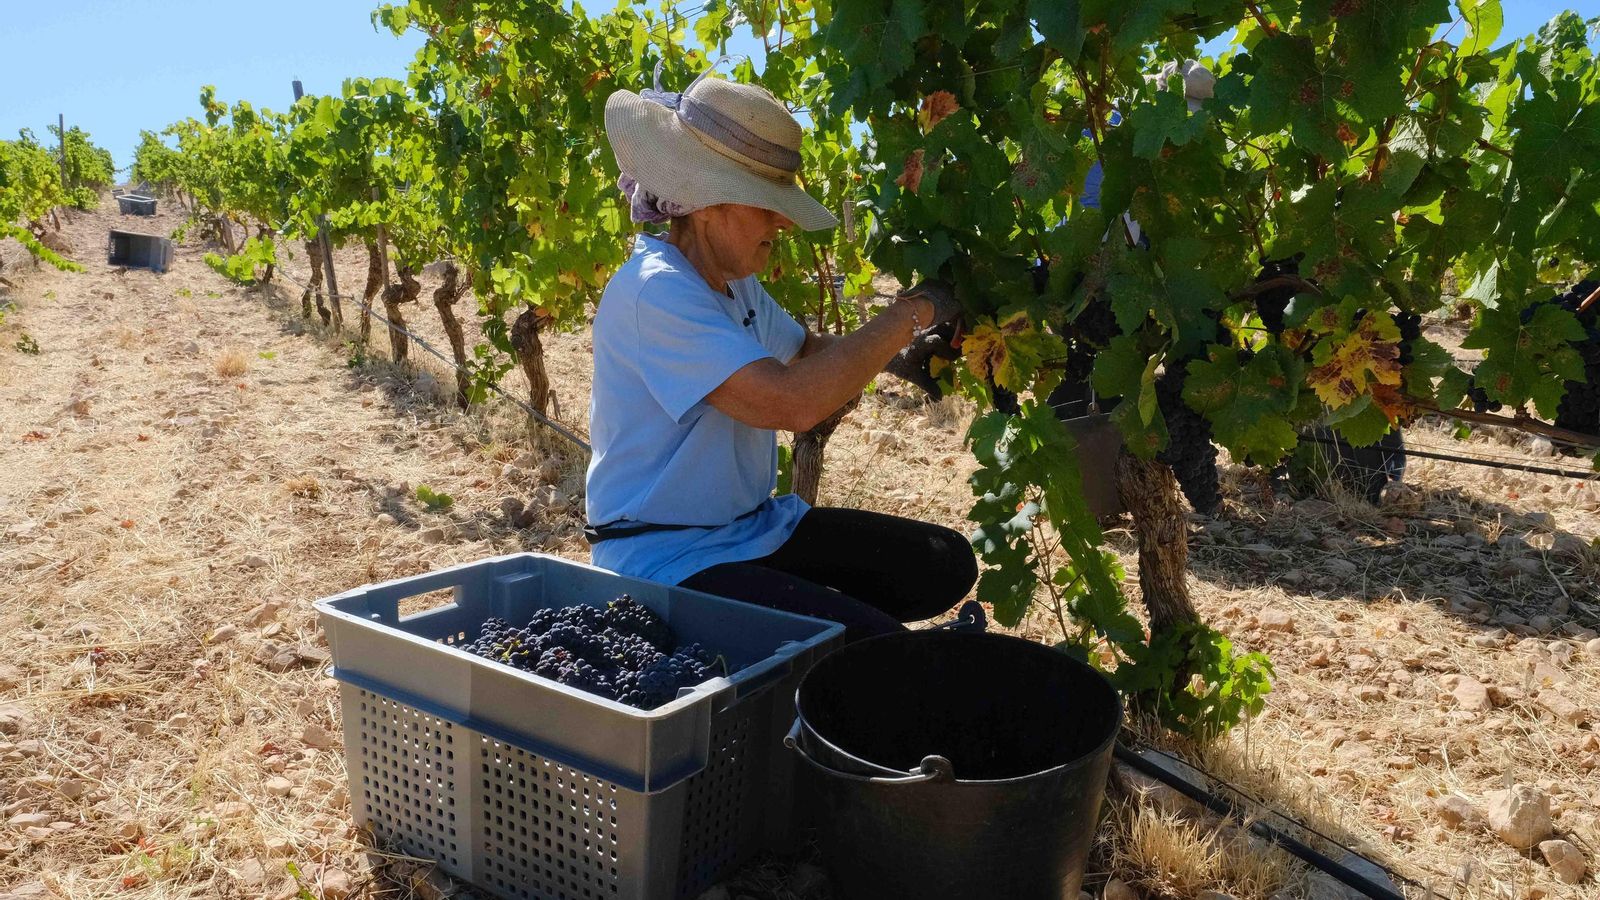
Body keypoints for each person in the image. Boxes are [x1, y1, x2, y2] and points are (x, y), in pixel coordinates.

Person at [587, 65, 977, 639]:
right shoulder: (656, 292)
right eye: (762, 203)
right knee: (877, 651)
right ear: (704, 202)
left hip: (752, 529)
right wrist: (910, 313)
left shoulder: (732, 281)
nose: (782, 221)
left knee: (944, 562)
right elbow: (791, 402)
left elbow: (807, 353)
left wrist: (907, 353)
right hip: (666, 559)